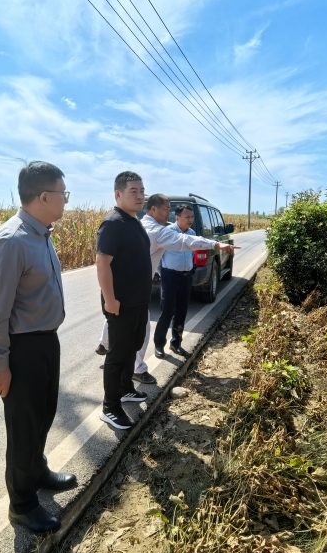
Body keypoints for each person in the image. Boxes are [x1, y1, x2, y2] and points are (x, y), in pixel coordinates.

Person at [0, 162, 76, 534]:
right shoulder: (11, 240)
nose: (66, 200)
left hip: (46, 341)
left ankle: (37, 472)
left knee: (44, 415)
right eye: (63, 194)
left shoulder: (42, 234)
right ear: (44, 197)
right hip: (21, 348)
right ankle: (21, 505)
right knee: (23, 428)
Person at [95, 194, 238, 369]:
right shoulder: (159, 231)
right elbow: (184, 241)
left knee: (117, 317)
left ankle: (105, 344)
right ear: (153, 209)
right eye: (166, 210)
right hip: (137, 286)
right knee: (142, 329)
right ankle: (137, 368)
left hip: (121, 282)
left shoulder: (139, 224)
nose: (169, 214)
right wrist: (217, 245)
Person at [96, 172, 152, 430]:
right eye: (133, 191)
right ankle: (110, 407)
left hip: (138, 302)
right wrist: (110, 300)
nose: (140, 196)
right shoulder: (113, 223)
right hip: (121, 304)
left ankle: (126, 388)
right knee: (117, 355)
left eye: (142, 191)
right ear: (118, 194)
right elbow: (102, 263)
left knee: (133, 347)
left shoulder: (134, 221)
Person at [153, 204, 200, 357]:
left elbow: (191, 253)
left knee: (181, 312)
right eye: (187, 217)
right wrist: (162, 273)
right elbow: (158, 255)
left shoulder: (192, 233)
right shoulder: (168, 232)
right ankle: (159, 345)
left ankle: (176, 343)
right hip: (170, 277)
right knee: (167, 312)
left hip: (186, 277)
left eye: (192, 217)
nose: (190, 220)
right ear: (177, 217)